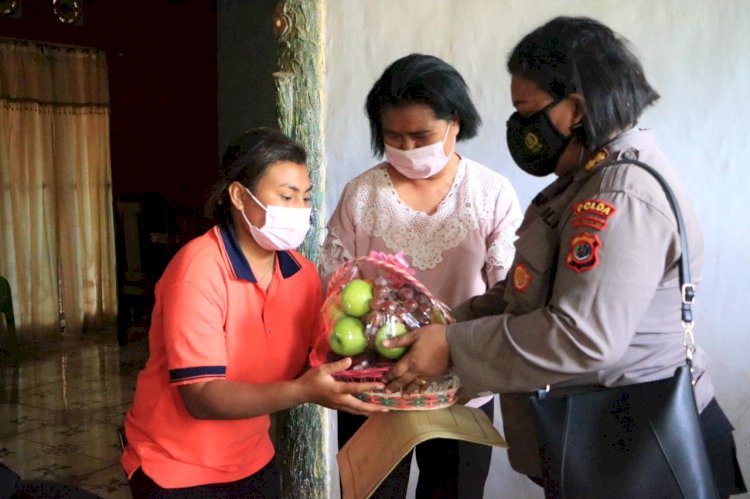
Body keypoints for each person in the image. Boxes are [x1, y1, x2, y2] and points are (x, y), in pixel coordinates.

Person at [382, 17, 747, 498]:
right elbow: (524, 293)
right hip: (604, 435)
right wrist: (444, 328)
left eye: (526, 109)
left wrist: (453, 345)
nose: (517, 126)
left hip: (641, 444)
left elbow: (582, 334)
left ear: (574, 109)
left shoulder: (622, 195)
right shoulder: (584, 182)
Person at [120, 128, 387, 498]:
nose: (299, 210)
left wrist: (379, 344)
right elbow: (201, 397)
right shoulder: (198, 270)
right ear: (239, 197)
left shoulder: (301, 274)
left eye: (305, 198)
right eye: (286, 196)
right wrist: (302, 391)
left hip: (251, 456)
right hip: (176, 466)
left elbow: (314, 358)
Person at [320, 54, 522, 498]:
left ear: (454, 122)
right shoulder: (363, 195)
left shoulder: (491, 194)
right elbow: (332, 289)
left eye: (421, 136)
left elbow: (510, 296)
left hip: (463, 388)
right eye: (394, 137)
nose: (408, 149)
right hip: (372, 389)